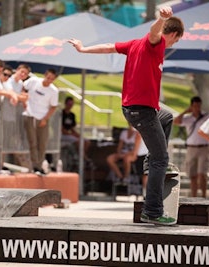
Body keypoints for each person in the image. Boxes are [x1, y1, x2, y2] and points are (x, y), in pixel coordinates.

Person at [69, 6, 184, 225]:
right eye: (175, 41)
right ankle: (152, 210)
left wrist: (84, 50)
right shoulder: (156, 42)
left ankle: (153, 162)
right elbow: (154, 33)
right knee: (162, 159)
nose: (172, 45)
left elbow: (108, 48)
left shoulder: (133, 44)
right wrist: (161, 19)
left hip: (135, 110)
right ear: (172, 34)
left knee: (167, 116)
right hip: (143, 112)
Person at [23, 68, 59, 175]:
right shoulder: (34, 81)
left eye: (51, 79)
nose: (49, 80)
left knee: (42, 143)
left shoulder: (53, 91)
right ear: (45, 75)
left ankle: (39, 165)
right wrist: (24, 100)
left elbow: (53, 106)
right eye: (48, 77)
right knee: (32, 141)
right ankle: (35, 165)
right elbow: (23, 87)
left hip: (42, 117)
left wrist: (45, 119)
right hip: (30, 115)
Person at [173, 96, 209, 197]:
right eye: (194, 106)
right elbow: (175, 121)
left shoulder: (206, 116)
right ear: (191, 106)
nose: (197, 108)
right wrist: (186, 111)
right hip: (191, 148)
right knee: (193, 175)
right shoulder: (187, 118)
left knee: (202, 174)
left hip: (204, 147)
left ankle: (204, 196)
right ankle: (194, 197)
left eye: (198, 106)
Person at [2, 63, 30, 168]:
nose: (23, 74)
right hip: (3, 114)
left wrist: (20, 97)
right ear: (17, 70)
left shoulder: (21, 84)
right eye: (22, 71)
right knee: (2, 140)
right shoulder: (9, 80)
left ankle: (2, 164)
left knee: (7, 141)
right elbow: (12, 95)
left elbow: (22, 97)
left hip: (12, 116)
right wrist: (20, 97)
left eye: (25, 73)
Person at [61, 96, 91, 163]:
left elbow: (72, 128)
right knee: (77, 140)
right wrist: (71, 134)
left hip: (69, 134)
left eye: (71, 104)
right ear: (65, 104)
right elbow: (61, 128)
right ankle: (81, 157)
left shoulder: (72, 115)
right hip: (62, 134)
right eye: (69, 104)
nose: (70, 106)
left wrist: (77, 134)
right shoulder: (61, 114)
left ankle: (82, 155)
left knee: (86, 141)